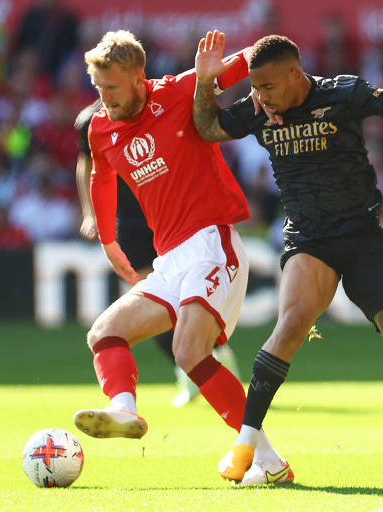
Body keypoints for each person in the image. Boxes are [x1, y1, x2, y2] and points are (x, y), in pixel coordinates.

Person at [192, 34, 383, 482]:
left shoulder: (343, 93)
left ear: (296, 74)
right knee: (291, 324)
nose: (259, 96)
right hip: (309, 240)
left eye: (268, 86)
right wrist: (205, 82)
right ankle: (245, 442)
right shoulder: (259, 110)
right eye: (254, 87)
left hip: (362, 237)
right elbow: (207, 129)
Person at [73, 29, 293, 485]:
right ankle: (124, 412)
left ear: (138, 77)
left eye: (111, 88)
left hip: (212, 241)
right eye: (98, 89)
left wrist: (236, 65)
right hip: (170, 257)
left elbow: (242, 64)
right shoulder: (100, 128)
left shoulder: (175, 91)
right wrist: (109, 241)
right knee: (104, 333)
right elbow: (100, 176)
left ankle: (263, 455)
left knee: (189, 351)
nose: (104, 99)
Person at [74, 98, 240, 408]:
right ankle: (188, 366)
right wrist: (90, 213)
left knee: (182, 297)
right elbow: (87, 164)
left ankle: (209, 354)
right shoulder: (90, 122)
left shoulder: (157, 106)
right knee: (151, 302)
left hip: (170, 216)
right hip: (132, 222)